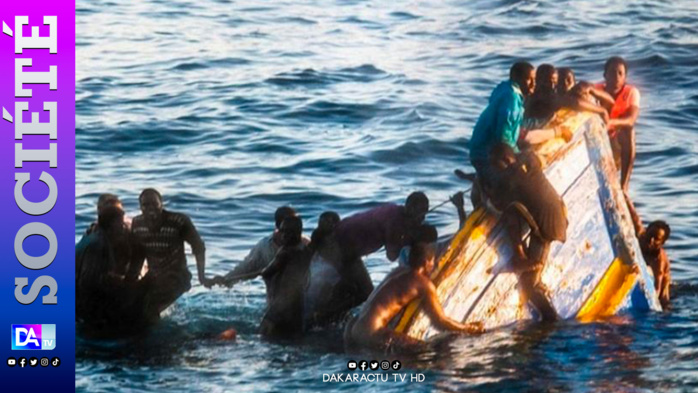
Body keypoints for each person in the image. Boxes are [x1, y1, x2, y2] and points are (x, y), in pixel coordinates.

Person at [344, 243, 483, 353]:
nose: (433, 265)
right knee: (425, 351)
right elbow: (440, 321)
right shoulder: (423, 284)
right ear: (426, 262)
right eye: (432, 261)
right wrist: (469, 328)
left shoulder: (396, 272)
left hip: (352, 328)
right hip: (372, 332)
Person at [488, 143, 567, 321]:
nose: (494, 169)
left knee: (528, 285)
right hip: (559, 215)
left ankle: (551, 320)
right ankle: (537, 277)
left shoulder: (510, 179)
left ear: (506, 160)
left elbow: (496, 203)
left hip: (547, 229)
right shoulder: (530, 161)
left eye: (495, 164)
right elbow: (531, 154)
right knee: (516, 207)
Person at [332, 191, 431, 308]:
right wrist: (412, 237)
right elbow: (392, 255)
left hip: (342, 244)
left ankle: (334, 314)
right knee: (366, 293)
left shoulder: (394, 211)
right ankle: (328, 317)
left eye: (425, 213)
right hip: (342, 250)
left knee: (351, 287)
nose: (423, 218)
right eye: (421, 212)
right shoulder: (395, 221)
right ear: (410, 207)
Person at [128, 188, 213, 321]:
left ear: (161, 204)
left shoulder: (179, 221)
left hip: (177, 276)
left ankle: (154, 337)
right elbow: (138, 255)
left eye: (154, 204)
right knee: (130, 301)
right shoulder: (137, 223)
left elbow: (198, 247)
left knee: (150, 309)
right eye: (145, 205)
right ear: (140, 207)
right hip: (154, 277)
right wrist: (130, 280)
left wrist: (202, 277)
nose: (150, 209)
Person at [76, 200, 142, 332]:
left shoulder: (95, 236)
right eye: (121, 223)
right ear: (112, 225)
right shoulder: (98, 245)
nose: (124, 226)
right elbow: (88, 282)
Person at [213, 206, 306, 288]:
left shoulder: (306, 245)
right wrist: (226, 280)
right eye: (289, 228)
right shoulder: (264, 247)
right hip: (275, 301)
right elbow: (245, 268)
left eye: (296, 228)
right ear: (279, 227)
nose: (293, 233)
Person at [260, 216, 313, 338]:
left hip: (280, 306)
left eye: (286, 232)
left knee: (265, 336)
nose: (283, 235)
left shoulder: (285, 252)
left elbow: (267, 272)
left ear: (297, 233)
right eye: (282, 231)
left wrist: (263, 271)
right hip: (297, 306)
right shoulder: (305, 251)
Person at [595, 56, 641, 193]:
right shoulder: (596, 90)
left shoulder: (631, 93)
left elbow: (631, 119)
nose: (616, 76)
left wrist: (611, 123)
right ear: (604, 75)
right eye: (612, 72)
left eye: (620, 73)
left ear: (625, 77)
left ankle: (624, 186)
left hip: (616, 143)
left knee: (629, 131)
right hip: (598, 138)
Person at [626, 197, 671, 310]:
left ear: (662, 243)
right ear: (646, 231)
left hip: (661, 292)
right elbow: (632, 212)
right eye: (650, 235)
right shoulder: (641, 236)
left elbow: (656, 290)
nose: (651, 241)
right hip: (644, 273)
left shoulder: (658, 260)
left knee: (664, 306)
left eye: (656, 239)